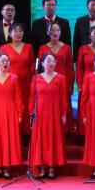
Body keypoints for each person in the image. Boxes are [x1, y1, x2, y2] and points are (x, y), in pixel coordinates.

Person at [29, 52, 68, 180]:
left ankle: (52, 168)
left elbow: (63, 98)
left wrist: (63, 114)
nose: (51, 63)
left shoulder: (61, 78)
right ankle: (42, 168)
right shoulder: (36, 78)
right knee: (41, 139)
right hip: (40, 113)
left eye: (53, 61)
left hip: (54, 113)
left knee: (53, 138)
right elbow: (32, 98)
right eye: (49, 61)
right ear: (42, 63)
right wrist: (31, 113)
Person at [0, 23, 34, 134]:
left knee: (25, 104)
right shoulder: (4, 48)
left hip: (25, 82)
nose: (18, 34)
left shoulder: (29, 47)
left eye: (20, 31)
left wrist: (32, 82)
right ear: (10, 34)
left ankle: (25, 132)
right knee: (12, 105)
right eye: (15, 31)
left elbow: (32, 66)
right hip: (9, 82)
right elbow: (0, 66)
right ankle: (12, 131)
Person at [38, 22, 74, 125]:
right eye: (53, 30)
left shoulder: (67, 48)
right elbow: (40, 68)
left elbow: (70, 68)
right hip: (47, 81)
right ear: (48, 32)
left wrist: (70, 84)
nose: (56, 32)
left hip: (62, 81)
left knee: (63, 104)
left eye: (58, 30)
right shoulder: (43, 48)